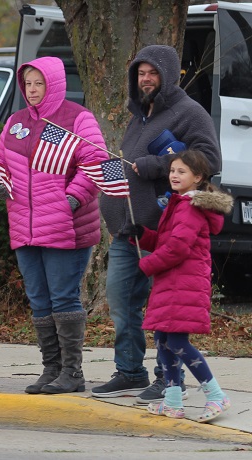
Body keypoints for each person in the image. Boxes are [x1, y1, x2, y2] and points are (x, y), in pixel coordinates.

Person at [92, 45, 221, 402]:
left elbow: (209, 160)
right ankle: (130, 370)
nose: (145, 80)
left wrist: (157, 166)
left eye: (152, 73)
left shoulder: (190, 113)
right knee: (121, 301)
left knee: (167, 312)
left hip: (165, 232)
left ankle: (169, 379)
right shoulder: (139, 116)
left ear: (167, 75)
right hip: (129, 229)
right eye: (140, 73)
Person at [0, 57, 108, 394]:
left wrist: (70, 200)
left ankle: (73, 373)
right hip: (24, 228)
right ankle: (51, 369)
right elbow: (1, 164)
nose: (32, 90)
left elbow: (96, 163)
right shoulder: (16, 122)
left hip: (65, 227)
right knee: (39, 300)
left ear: (53, 83)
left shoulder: (77, 119)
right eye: (27, 84)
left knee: (63, 298)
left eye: (38, 83)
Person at [135, 150, 232, 422]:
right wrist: (142, 236)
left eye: (181, 172)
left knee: (177, 341)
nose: (174, 176)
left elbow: (178, 248)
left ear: (198, 177)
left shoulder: (190, 206)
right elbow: (168, 241)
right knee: (163, 340)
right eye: (172, 170)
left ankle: (216, 395)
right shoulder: (179, 204)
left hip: (184, 283)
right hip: (173, 281)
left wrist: (146, 265)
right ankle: (173, 400)